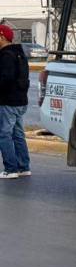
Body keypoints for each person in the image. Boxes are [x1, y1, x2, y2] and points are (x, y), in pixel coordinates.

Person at [0, 23, 32, 179]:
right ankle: (23, 167)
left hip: (8, 102)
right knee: (18, 134)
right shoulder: (20, 54)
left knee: (4, 134)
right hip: (21, 101)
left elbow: (5, 79)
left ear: (2, 37)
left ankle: (10, 169)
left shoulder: (6, 56)